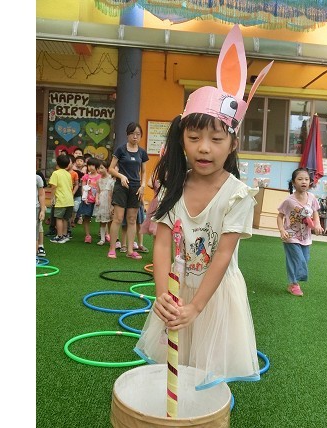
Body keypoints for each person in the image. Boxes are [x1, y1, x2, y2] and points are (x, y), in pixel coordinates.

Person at [134, 24, 273, 390]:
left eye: (216, 138)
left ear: (232, 143)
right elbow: (161, 243)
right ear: (182, 139)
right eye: (194, 137)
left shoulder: (237, 195)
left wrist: (195, 306)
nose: (204, 148)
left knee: (206, 367)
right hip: (177, 285)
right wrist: (162, 295)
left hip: (215, 294)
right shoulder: (173, 186)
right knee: (177, 364)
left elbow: (223, 255)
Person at [276, 168, 324, 296]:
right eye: (300, 179)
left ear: (310, 182)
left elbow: (315, 212)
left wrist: (317, 224)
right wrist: (282, 230)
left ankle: (293, 282)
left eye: (306, 179)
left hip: (305, 236)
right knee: (297, 259)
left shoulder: (312, 197)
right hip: (290, 235)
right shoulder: (289, 201)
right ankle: (294, 284)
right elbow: (280, 216)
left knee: (305, 259)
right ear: (293, 182)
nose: (304, 181)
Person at [107, 122, 149, 259]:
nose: (135, 136)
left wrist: (143, 186)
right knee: (118, 218)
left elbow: (144, 171)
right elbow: (111, 168)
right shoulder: (120, 149)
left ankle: (130, 251)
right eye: (132, 134)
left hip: (136, 188)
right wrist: (121, 176)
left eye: (138, 134)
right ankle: (112, 249)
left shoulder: (142, 152)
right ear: (127, 135)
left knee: (132, 219)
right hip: (121, 186)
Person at [48, 153, 74, 243]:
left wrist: (52, 198)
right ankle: (65, 235)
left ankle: (59, 236)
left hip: (61, 200)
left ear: (57, 163)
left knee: (58, 218)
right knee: (65, 219)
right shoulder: (68, 174)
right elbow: (70, 187)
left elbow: (53, 187)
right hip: (69, 200)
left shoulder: (55, 173)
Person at [93, 159, 115, 245]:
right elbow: (98, 192)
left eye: (101, 168)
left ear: (107, 168)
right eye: (98, 168)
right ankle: (102, 239)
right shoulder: (98, 180)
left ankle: (112, 238)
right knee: (102, 221)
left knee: (111, 221)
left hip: (110, 200)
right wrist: (97, 199)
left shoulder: (111, 178)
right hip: (102, 201)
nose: (99, 170)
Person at [79, 158, 100, 244]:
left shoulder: (100, 176)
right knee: (86, 217)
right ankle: (87, 235)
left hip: (98, 200)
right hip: (88, 200)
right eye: (89, 165)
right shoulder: (86, 176)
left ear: (97, 166)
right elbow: (83, 188)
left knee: (102, 218)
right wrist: (84, 198)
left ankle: (103, 234)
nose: (90, 167)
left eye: (93, 165)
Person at [72, 155, 86, 226]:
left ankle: (79, 217)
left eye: (81, 161)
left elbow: (83, 175)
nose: (79, 162)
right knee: (72, 206)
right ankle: (72, 220)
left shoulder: (85, 171)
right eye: (77, 161)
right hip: (72, 190)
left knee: (77, 206)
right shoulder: (72, 170)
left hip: (80, 191)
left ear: (84, 163)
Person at [36, 173, 46, 256]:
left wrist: (42, 210)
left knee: (37, 232)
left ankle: (40, 246)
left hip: (36, 208)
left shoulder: (37, 178)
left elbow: (41, 194)